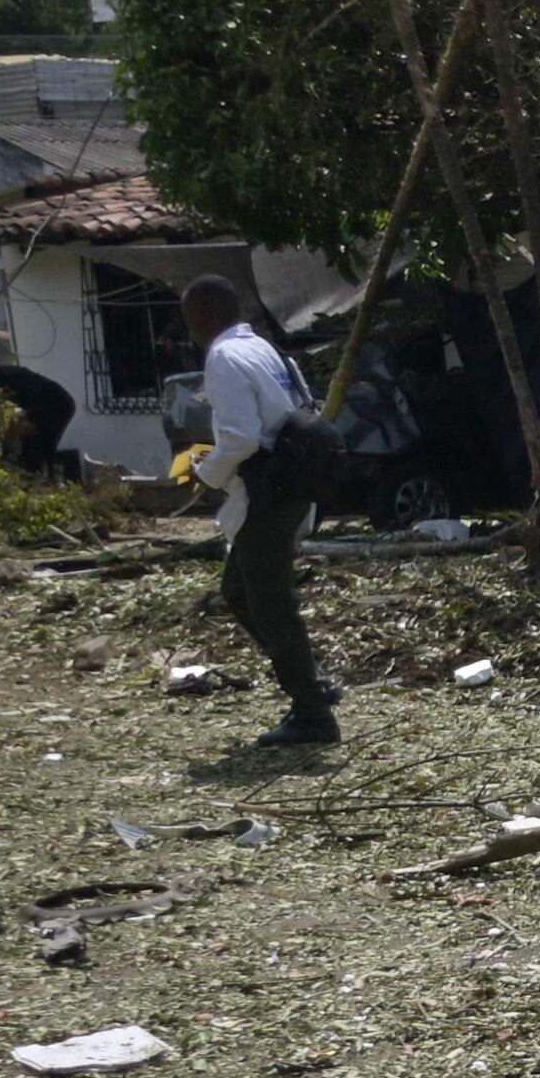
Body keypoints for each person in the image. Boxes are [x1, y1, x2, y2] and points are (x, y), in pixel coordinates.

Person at [187, 276, 335, 744]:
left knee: (271, 606)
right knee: (239, 590)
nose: (188, 330)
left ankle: (312, 713)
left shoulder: (224, 357)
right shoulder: (263, 349)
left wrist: (207, 474)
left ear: (205, 316)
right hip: (291, 484)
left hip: (267, 492)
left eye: (190, 319)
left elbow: (241, 438)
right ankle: (312, 683)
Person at [0, 346, 86, 483]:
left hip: (57, 405)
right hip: (45, 407)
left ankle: (43, 480)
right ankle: (41, 478)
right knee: (32, 444)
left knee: (39, 443)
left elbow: (39, 397)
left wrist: (29, 421)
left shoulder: (10, 377)